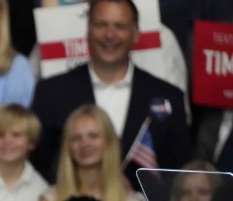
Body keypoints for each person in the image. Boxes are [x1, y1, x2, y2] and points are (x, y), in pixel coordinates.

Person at [30, 0, 190, 183]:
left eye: (120, 26)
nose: (110, 34)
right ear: (88, 31)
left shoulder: (170, 97)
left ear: (136, 34)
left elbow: (177, 175)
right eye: (101, 25)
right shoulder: (50, 93)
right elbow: (40, 167)